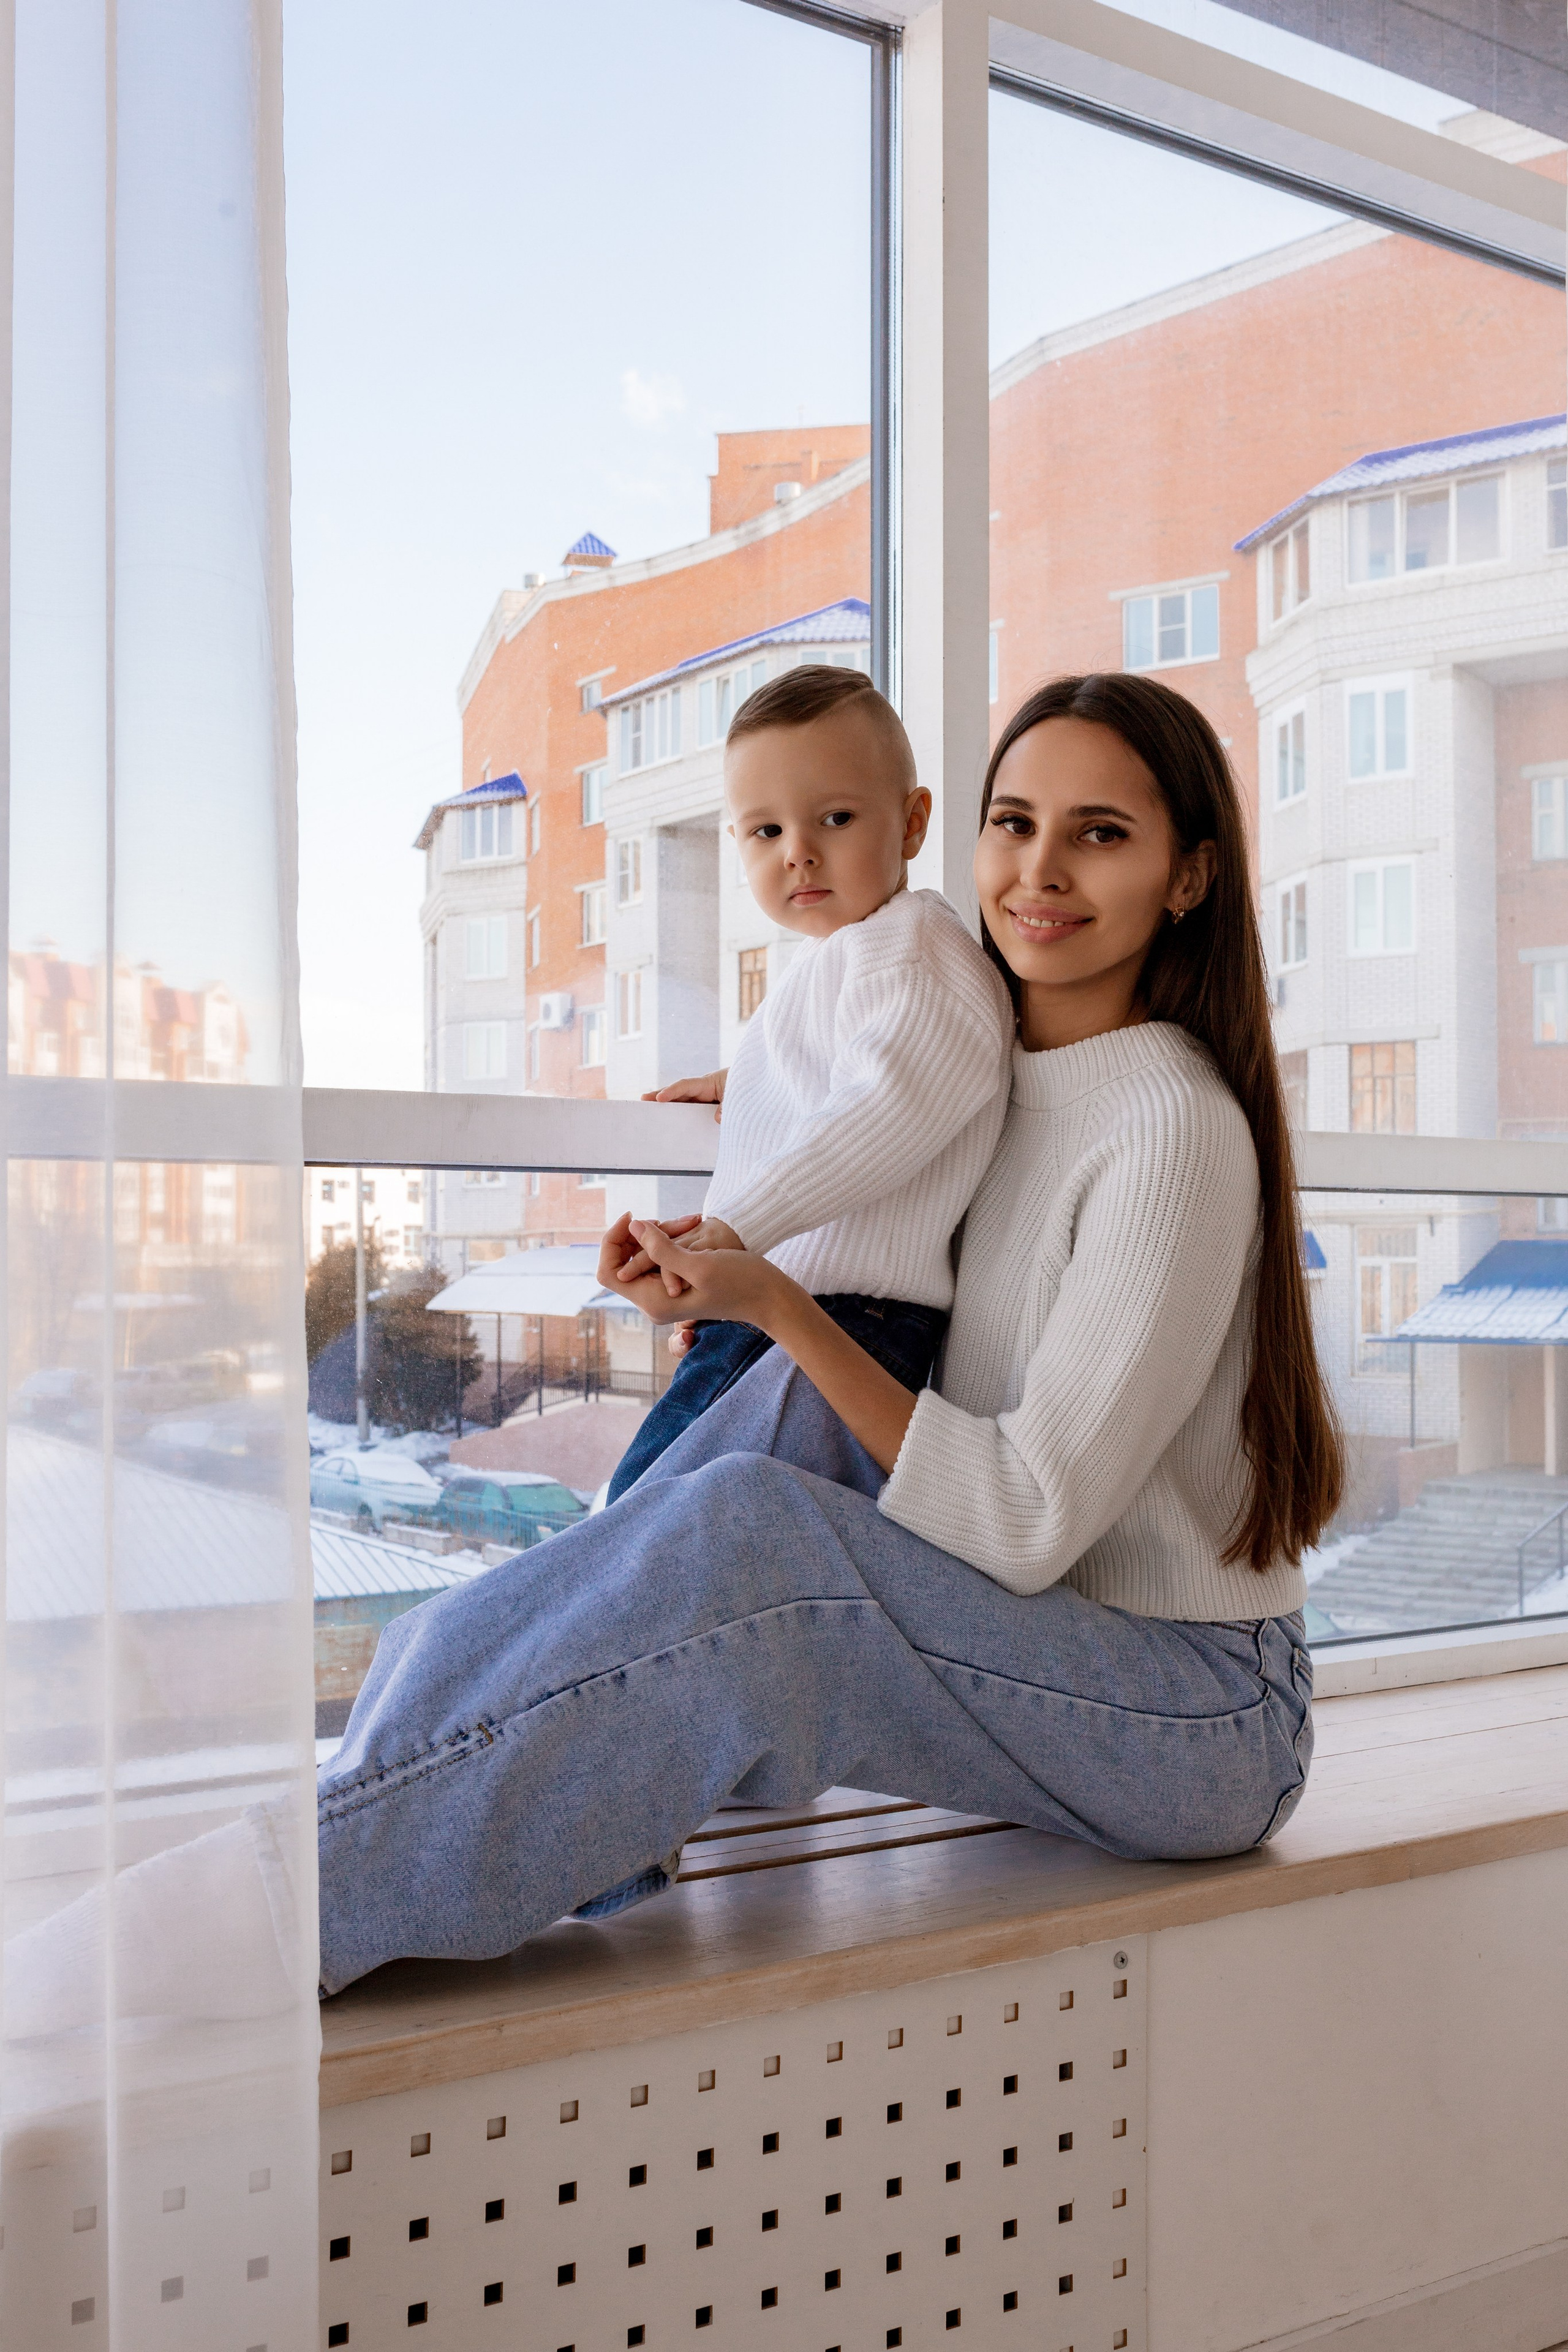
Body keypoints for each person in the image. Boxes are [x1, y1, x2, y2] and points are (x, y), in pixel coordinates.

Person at [1, 673, 1342, 2029]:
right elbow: (896, 1069)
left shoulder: (1164, 1124)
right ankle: (348, 1814)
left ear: (1188, 878)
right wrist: (760, 1081)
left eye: (1100, 834)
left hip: (1193, 1718)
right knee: (637, 1542)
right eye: (1012, 824)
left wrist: (777, 1306)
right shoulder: (1000, 1067)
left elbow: (1025, 1520)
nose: (1037, 871)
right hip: (1057, 1653)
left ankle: (259, 1922)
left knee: (746, 1535)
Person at [605, 662, 1011, 1502]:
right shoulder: (850, 957)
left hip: (844, 1323)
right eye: (765, 832)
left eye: (835, 817)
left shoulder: (917, 950)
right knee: (647, 1533)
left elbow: (884, 1111)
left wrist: (736, 1231)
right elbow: (857, 1067)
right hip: (794, 1314)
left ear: (911, 822)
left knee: (639, 1536)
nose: (799, 853)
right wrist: (746, 1080)